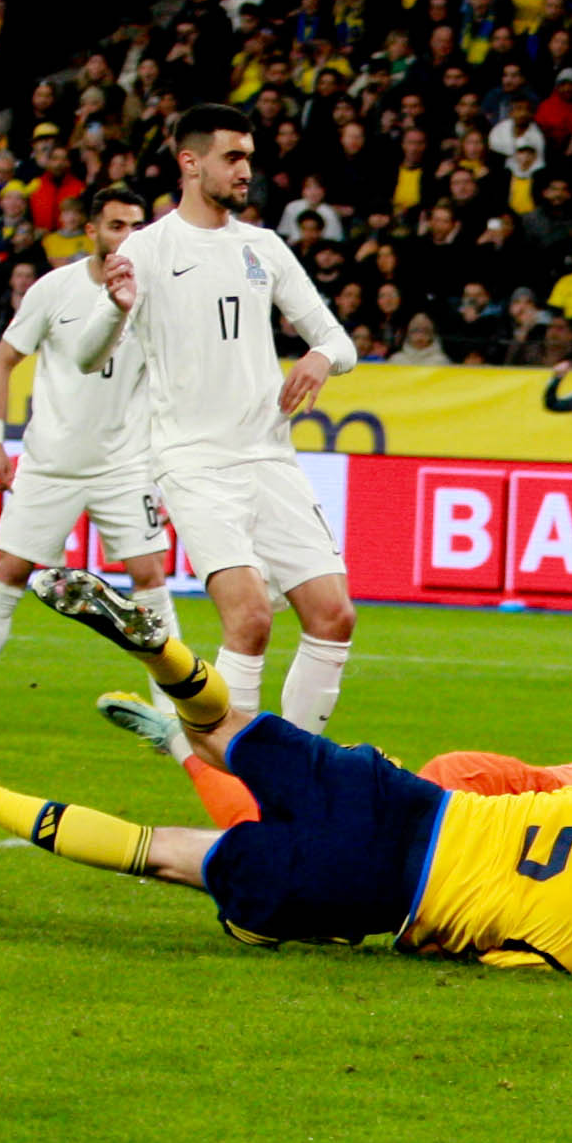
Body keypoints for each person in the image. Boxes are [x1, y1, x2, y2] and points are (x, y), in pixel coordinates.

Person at [0, 569, 572, 972]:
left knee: (221, 725)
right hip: (374, 886)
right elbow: (473, 954)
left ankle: (166, 653)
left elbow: (568, 799)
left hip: (403, 798)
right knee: (164, 853)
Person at [90, 671, 572, 906]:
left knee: (312, 840)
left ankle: (181, 744)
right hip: (494, 795)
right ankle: (189, 737)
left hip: (507, 827)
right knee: (322, 845)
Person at [115, 104, 365, 734]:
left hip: (270, 456)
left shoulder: (263, 247)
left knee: (334, 615)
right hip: (194, 461)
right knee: (250, 619)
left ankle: (294, 770)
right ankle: (234, 773)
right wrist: (110, 313)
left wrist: (319, 358)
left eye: (249, 157)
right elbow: (98, 351)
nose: (246, 170)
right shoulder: (147, 249)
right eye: (232, 157)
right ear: (190, 163)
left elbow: (338, 341)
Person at [0, 185, 168, 748]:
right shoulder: (54, 289)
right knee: (10, 573)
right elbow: (2, 362)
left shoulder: (157, 296)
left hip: (123, 465)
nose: (127, 238)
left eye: (136, 227)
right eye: (116, 226)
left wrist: (163, 463)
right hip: (50, 464)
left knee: (149, 578)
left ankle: (173, 717)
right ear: (91, 231)